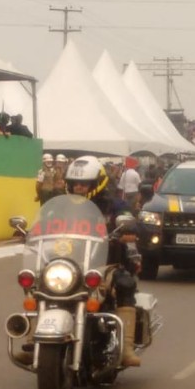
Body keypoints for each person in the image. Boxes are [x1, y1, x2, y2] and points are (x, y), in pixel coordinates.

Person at [65, 155, 142, 367]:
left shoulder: (114, 204)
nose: (79, 187)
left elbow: (132, 225)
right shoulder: (61, 205)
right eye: (75, 183)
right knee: (41, 283)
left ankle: (125, 347)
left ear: (97, 183)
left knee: (125, 283)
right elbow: (42, 222)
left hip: (105, 263)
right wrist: (30, 232)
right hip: (70, 264)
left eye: (84, 183)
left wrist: (126, 231)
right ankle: (34, 340)